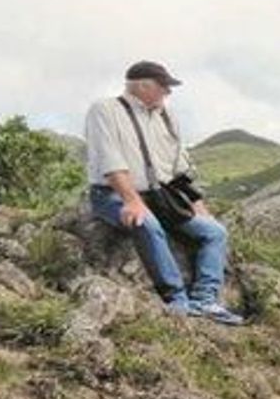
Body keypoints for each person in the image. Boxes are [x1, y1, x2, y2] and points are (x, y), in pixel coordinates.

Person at [84, 61, 243, 324]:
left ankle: (205, 300)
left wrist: (198, 205)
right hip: (113, 193)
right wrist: (131, 201)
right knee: (147, 225)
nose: (167, 93)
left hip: (160, 195)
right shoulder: (105, 110)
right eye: (164, 87)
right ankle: (177, 300)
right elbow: (110, 161)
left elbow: (179, 167)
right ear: (143, 85)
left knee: (214, 232)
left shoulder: (166, 117)